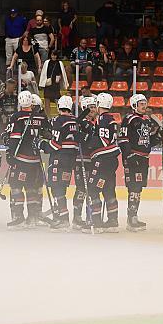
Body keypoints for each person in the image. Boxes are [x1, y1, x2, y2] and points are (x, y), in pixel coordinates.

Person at [2, 90, 49, 229]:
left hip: (21, 159)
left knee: (16, 187)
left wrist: (10, 153)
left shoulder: (17, 117)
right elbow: (48, 133)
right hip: (35, 160)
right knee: (32, 188)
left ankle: (18, 217)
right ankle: (33, 217)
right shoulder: (41, 117)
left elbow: (14, 138)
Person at [119, 94, 163, 231]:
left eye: (145, 103)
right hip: (133, 158)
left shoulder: (146, 120)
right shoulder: (129, 119)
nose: (145, 106)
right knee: (133, 188)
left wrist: (158, 136)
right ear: (134, 105)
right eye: (141, 104)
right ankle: (131, 218)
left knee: (138, 188)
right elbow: (122, 139)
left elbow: (147, 143)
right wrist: (129, 155)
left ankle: (134, 216)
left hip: (143, 158)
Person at [37, 95, 78, 230]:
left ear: (59, 107)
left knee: (57, 187)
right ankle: (59, 214)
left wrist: (42, 144)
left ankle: (63, 218)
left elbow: (55, 144)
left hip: (59, 159)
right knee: (62, 186)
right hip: (71, 159)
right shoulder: (75, 120)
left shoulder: (58, 120)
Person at [86, 93, 121, 232]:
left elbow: (103, 140)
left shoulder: (102, 118)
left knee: (93, 189)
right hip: (111, 160)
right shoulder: (112, 119)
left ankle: (96, 223)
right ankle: (113, 222)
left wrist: (86, 140)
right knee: (108, 190)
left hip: (102, 160)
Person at [74, 96, 98, 230]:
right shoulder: (81, 123)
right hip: (81, 159)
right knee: (81, 189)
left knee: (92, 190)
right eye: (90, 108)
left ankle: (90, 217)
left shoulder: (97, 123)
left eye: (94, 107)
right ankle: (77, 217)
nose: (93, 110)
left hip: (93, 159)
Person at [39, 50, 68, 116]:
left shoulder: (59, 63)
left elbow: (62, 73)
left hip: (55, 83)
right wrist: (42, 83)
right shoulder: (47, 62)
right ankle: (48, 116)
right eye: (52, 55)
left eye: (55, 55)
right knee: (47, 100)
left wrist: (59, 77)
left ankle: (59, 114)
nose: (53, 56)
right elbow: (44, 73)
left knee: (57, 99)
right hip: (48, 83)